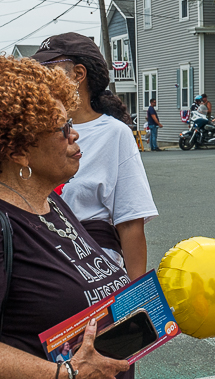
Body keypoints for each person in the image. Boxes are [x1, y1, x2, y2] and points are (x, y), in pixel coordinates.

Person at [0, 55, 131, 378]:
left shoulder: (51, 203)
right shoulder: (5, 224)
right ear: (19, 150)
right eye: (62, 128)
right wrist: (64, 374)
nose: (75, 136)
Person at [31, 32, 158, 281]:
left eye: (48, 66)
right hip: (40, 265)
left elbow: (131, 221)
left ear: (79, 73)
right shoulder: (31, 132)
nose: (40, 76)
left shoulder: (114, 133)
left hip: (98, 271)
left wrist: (136, 298)